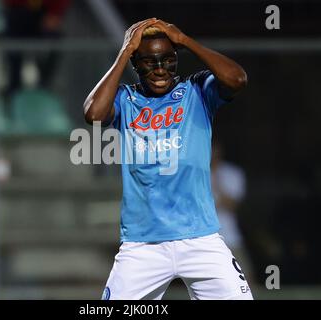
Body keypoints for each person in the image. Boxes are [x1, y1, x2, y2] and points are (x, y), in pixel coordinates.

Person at [83, 18, 252, 300]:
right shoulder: (126, 99)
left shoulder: (197, 91)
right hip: (142, 245)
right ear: (136, 65)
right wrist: (124, 51)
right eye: (149, 62)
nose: (160, 69)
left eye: (167, 60)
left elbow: (237, 79)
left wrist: (185, 40)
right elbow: (93, 114)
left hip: (201, 239)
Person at [211, 140, 254, 284]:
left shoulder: (233, 173)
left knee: (247, 280)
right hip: (203, 238)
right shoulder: (193, 172)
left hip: (231, 237)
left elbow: (232, 206)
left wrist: (216, 181)